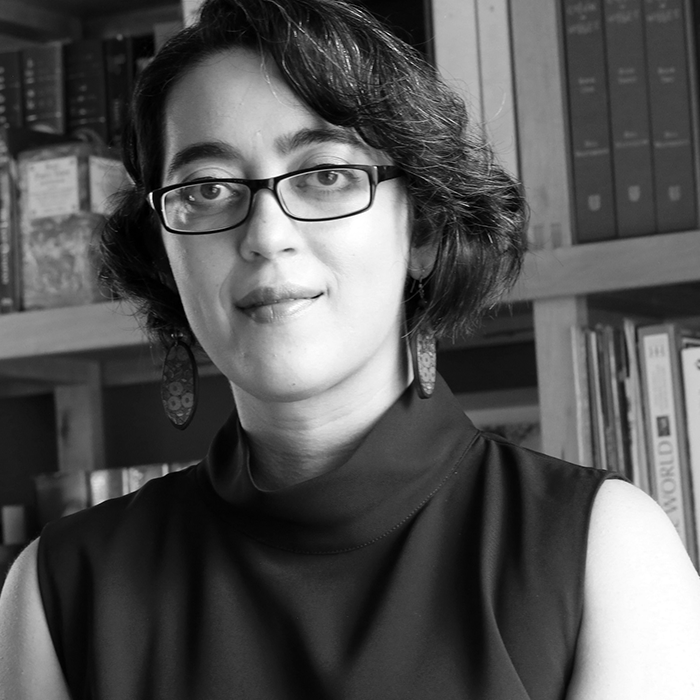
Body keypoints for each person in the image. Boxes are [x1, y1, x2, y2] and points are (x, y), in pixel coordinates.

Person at [2, 0, 700, 697]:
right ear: (163, 256)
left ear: (422, 231)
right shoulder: (57, 592)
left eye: (326, 175)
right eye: (208, 189)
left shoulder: (603, 552)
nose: (266, 235)